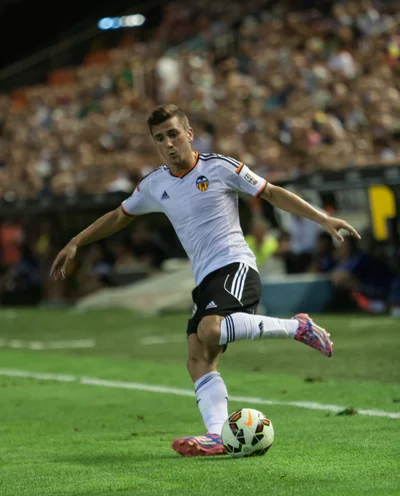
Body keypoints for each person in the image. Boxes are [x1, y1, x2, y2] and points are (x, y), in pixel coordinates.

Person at [50, 104, 361, 457]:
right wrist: (77, 241)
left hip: (235, 266)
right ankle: (217, 435)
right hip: (204, 280)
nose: (168, 143)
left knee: (211, 329)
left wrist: (323, 219)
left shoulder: (220, 167)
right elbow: (118, 216)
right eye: (159, 138)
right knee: (197, 357)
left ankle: (297, 327)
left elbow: (272, 192)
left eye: (173, 134)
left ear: (189, 133)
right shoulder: (154, 184)